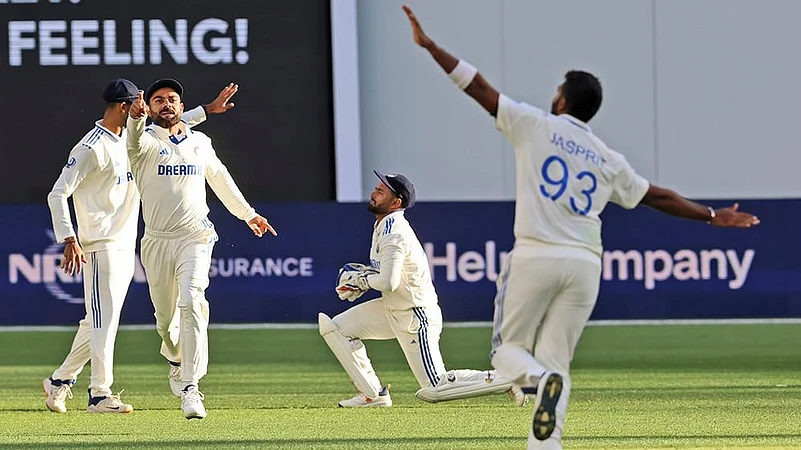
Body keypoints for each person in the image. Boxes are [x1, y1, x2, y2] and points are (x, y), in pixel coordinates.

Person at [402, 5, 760, 449]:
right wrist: (712, 216)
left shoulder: (536, 125)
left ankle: (535, 379)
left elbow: (477, 87)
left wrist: (431, 46)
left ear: (562, 102)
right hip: (586, 264)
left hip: (536, 253)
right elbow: (658, 197)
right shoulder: (609, 159)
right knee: (558, 364)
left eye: (556, 90)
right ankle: (545, 441)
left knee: (509, 354)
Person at [43, 78, 238, 414]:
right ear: (126, 107)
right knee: (104, 320)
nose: (147, 109)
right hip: (99, 243)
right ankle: (99, 394)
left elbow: (176, 124)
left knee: (98, 320)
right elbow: (57, 193)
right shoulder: (92, 147)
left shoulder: (136, 138)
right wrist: (68, 237)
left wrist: (207, 110)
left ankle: (60, 380)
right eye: (141, 103)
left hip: (126, 242)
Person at [126, 78, 277, 420]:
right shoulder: (143, 142)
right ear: (148, 108)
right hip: (157, 242)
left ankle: (192, 386)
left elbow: (220, 179)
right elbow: (134, 137)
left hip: (196, 235)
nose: (167, 104)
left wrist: (248, 214)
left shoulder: (200, 142)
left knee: (192, 298)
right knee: (165, 323)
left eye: (173, 99)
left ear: (181, 106)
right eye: (159, 100)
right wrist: (136, 118)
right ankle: (176, 359)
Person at [319, 171, 526, 408]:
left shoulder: (394, 232)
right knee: (336, 328)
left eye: (381, 191)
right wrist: (362, 278)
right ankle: (372, 395)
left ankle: (506, 378)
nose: (373, 193)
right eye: (376, 188)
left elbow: (388, 282)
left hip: (414, 315)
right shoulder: (383, 225)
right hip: (392, 309)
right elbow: (387, 276)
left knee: (435, 387)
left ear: (396, 202)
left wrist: (363, 281)